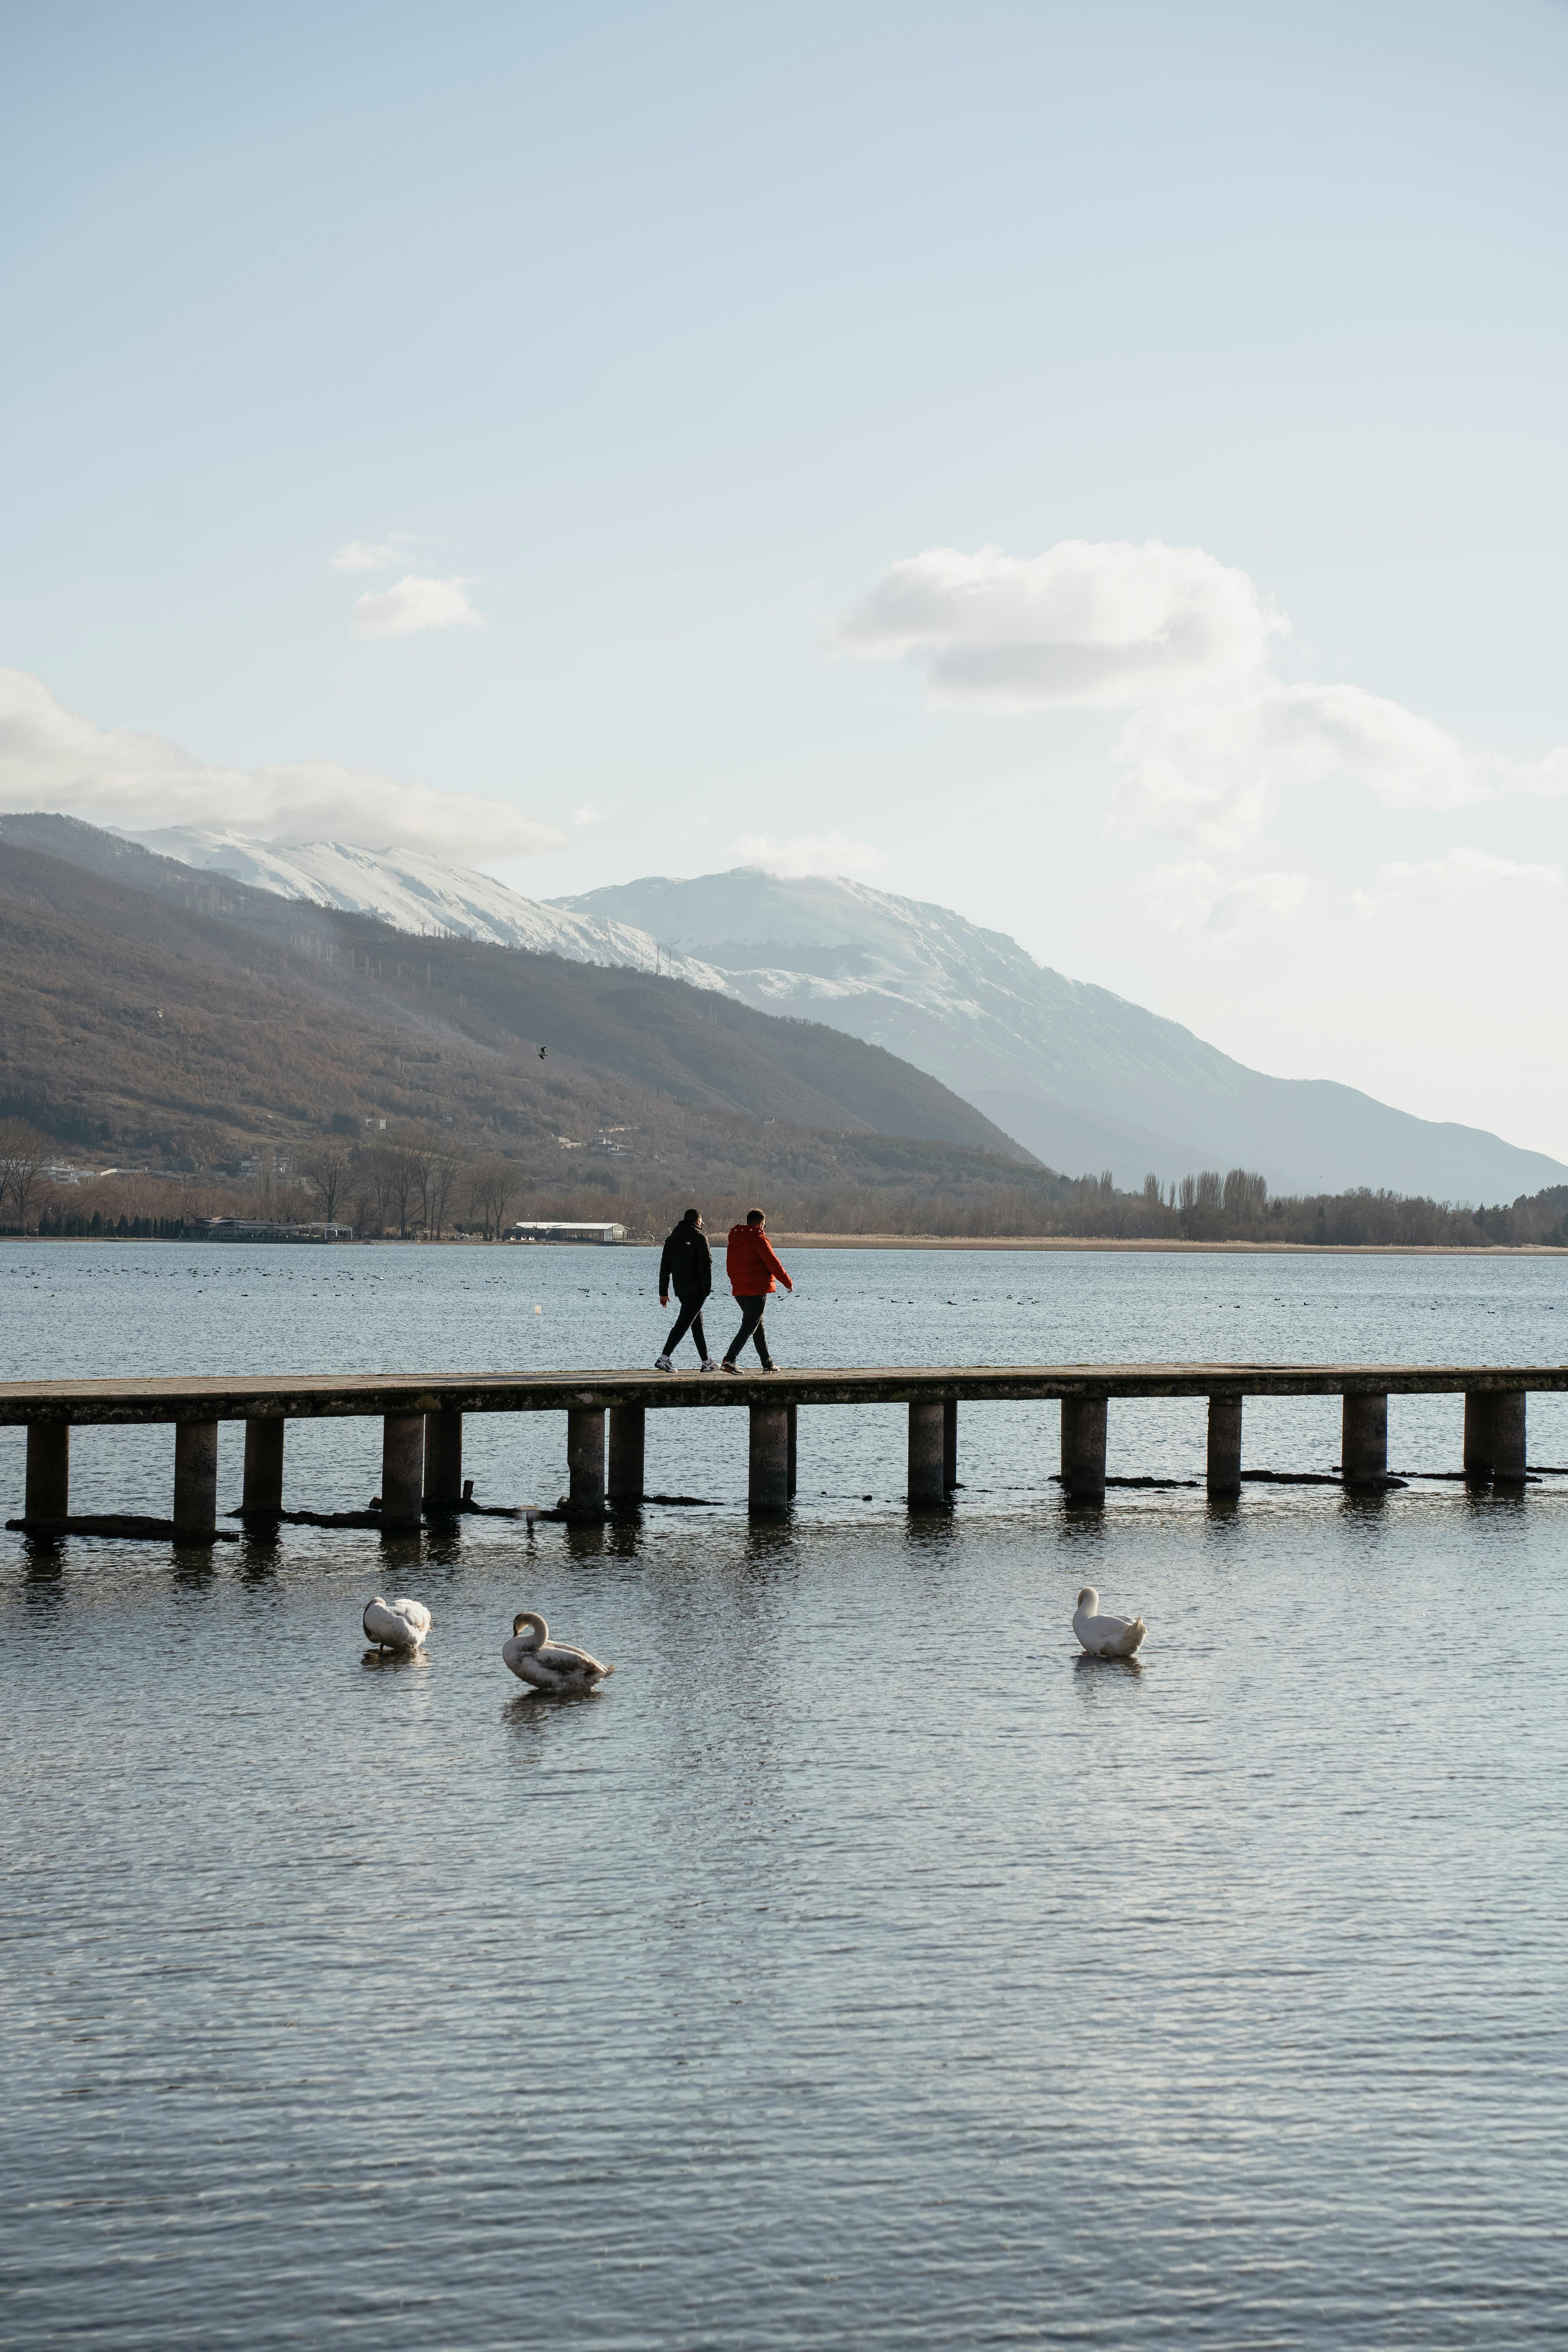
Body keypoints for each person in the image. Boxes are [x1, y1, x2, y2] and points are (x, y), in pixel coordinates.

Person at [721, 1207, 793, 1372]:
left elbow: (729, 1266)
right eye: (764, 1226)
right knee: (749, 1326)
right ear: (761, 1224)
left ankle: (767, 1364)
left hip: (740, 1290)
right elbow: (774, 1263)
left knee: (757, 1326)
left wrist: (735, 1282)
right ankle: (729, 1360)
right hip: (757, 1290)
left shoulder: (734, 1240)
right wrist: (788, 1282)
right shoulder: (759, 1239)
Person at [655, 1208, 718, 1372]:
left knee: (696, 1323)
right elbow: (707, 1266)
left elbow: (665, 1268)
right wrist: (707, 1290)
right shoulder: (700, 1238)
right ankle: (664, 1358)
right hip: (697, 1290)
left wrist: (664, 1292)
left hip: (681, 1289)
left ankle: (706, 1362)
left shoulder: (671, 1240)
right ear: (697, 1221)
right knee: (683, 1323)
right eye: (701, 1221)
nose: (702, 1224)